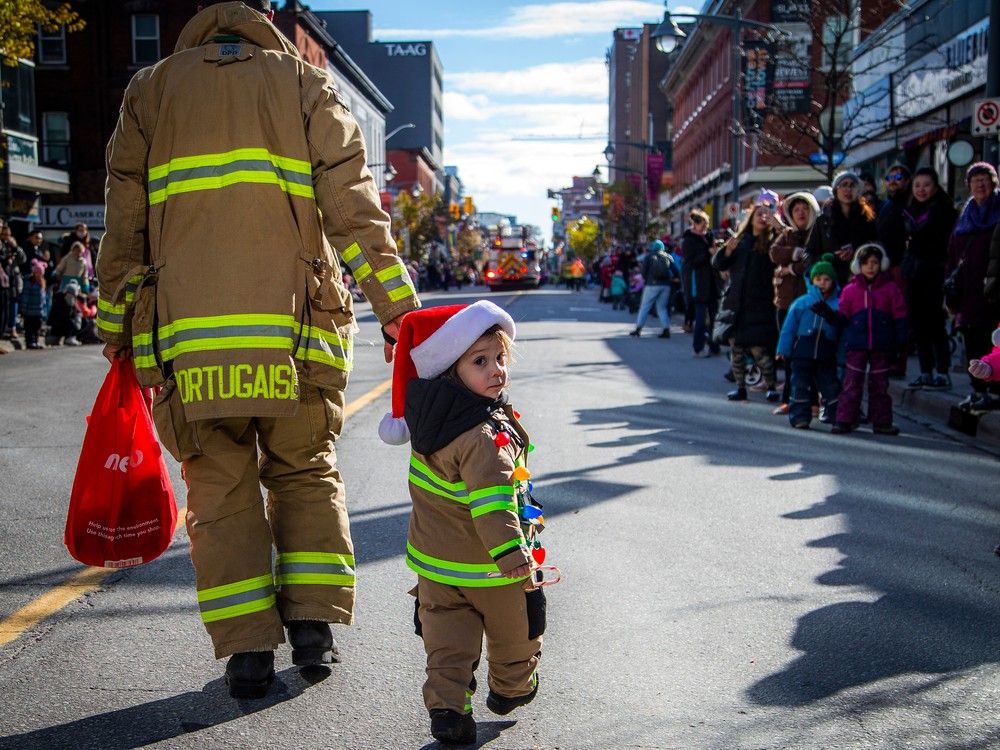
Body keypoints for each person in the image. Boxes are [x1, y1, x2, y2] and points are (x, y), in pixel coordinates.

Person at [96, 0, 420, 698]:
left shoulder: (151, 93)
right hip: (296, 335)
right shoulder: (303, 84)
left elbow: (124, 226)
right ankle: (313, 629)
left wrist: (116, 326)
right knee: (305, 472)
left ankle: (246, 654)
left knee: (219, 493)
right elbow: (355, 210)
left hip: (189, 344)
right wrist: (400, 313)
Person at [376, 301, 545, 746]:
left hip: (434, 567)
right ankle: (511, 690)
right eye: (480, 362)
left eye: (500, 359)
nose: (497, 371)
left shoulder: (429, 423)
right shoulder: (482, 437)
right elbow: (492, 505)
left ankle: (449, 710)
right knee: (516, 635)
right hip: (490, 569)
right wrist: (513, 557)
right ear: (451, 371)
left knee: (447, 646)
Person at [823, 243, 907, 435]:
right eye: (866, 263)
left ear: (881, 265)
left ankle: (881, 421)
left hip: (881, 343)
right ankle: (845, 419)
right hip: (857, 344)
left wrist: (900, 339)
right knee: (851, 382)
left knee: (880, 384)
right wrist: (832, 317)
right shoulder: (851, 290)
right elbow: (843, 316)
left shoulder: (890, 289)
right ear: (858, 266)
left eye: (875, 263)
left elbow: (900, 314)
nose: (870, 267)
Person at [712, 190, 781, 401]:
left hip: (760, 302)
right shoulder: (740, 241)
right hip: (737, 303)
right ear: (751, 218)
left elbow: (784, 252)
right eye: (758, 213)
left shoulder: (772, 242)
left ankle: (771, 386)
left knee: (759, 349)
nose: (762, 217)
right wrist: (726, 252)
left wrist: (778, 227)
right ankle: (741, 388)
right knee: (737, 350)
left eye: (765, 215)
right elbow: (718, 264)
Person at [946, 162, 1000, 410]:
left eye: (985, 179)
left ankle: (996, 391)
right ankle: (978, 390)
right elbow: (952, 255)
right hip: (968, 293)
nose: (980, 184)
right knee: (973, 343)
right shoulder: (965, 215)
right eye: (975, 180)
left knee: (995, 342)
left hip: (994, 292)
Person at [901, 167, 957, 389]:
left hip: (935, 271)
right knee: (918, 323)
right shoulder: (909, 211)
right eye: (917, 185)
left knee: (935, 323)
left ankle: (942, 371)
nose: (921, 190)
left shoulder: (945, 211)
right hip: (914, 272)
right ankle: (925, 371)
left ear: (935, 187)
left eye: (926, 185)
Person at [776, 255, 841, 429]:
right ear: (812, 280)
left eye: (826, 279)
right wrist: (783, 349)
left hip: (825, 353)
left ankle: (837, 418)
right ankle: (799, 418)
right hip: (802, 352)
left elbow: (842, 330)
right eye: (818, 279)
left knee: (830, 386)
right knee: (800, 385)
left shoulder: (838, 304)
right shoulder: (802, 302)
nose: (822, 283)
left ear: (833, 281)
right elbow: (788, 328)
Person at [769, 192, 820, 410]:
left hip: (810, 304)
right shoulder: (787, 235)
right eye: (796, 209)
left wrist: (790, 268)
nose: (801, 213)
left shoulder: (817, 233)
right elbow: (774, 253)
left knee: (811, 353)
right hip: (786, 303)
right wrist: (794, 253)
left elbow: (812, 262)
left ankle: (813, 400)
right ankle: (789, 398)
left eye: (805, 208)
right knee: (788, 352)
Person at [806, 170, 878, 286]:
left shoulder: (867, 219)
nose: (848, 189)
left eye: (852, 185)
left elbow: (875, 246)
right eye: (844, 185)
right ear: (835, 190)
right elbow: (810, 253)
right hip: (830, 281)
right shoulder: (823, 221)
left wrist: (856, 251)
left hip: (860, 280)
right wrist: (828, 258)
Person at [629, 239, 677, 338]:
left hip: (652, 285)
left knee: (645, 307)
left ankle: (638, 329)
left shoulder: (649, 256)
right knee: (662, 308)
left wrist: (647, 280)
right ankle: (666, 329)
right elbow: (676, 271)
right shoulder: (668, 256)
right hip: (666, 285)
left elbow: (643, 272)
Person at [1, 223, 25, 339]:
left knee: (14, 303)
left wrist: (15, 247)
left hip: (13, 278)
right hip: (3, 277)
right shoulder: (2, 245)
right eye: (4, 234)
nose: (6, 237)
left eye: (8, 235)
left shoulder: (13, 245)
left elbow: (23, 259)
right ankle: (4, 328)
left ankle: (12, 327)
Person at [21, 259, 48, 349]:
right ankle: (29, 342)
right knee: (29, 328)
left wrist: (44, 311)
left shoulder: (42, 283)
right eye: (37, 272)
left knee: (37, 327)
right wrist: (23, 308)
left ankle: (35, 341)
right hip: (29, 311)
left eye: (40, 273)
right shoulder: (29, 282)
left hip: (38, 311)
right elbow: (25, 296)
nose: (38, 274)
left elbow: (44, 299)